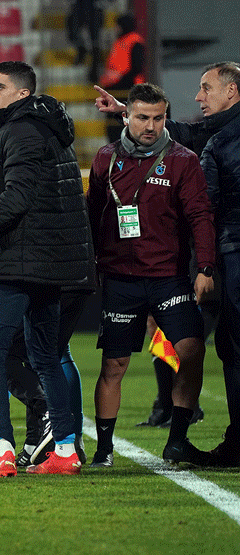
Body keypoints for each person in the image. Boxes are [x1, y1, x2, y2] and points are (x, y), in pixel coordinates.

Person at [0, 61, 94, 477]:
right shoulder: (51, 128)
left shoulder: (20, 131)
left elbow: (16, 198)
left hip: (15, 260)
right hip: (51, 263)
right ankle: (64, 451)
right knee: (47, 356)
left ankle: (5, 449)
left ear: (23, 94)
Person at [86, 83, 215, 468]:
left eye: (158, 118)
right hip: (121, 279)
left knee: (192, 351)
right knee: (114, 365)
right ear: (125, 116)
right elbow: (93, 216)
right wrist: (90, 264)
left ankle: (176, 441)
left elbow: (200, 217)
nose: (152, 125)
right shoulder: (105, 158)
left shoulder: (183, 160)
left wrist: (205, 267)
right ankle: (104, 450)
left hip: (169, 277)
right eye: (143, 117)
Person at [200, 62, 240, 467]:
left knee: (233, 346)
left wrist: (203, 265)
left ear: (231, 91)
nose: (200, 96)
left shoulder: (220, 141)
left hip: (235, 255)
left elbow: (205, 209)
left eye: (207, 88)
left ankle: (237, 442)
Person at [99, 14, 145, 143]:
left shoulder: (134, 42)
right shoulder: (120, 42)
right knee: (114, 130)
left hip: (128, 92)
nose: (116, 28)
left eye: (117, 25)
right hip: (115, 93)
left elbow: (136, 69)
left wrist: (118, 81)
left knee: (124, 129)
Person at [66, 0, 104, 82]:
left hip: (95, 7)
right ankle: (82, 50)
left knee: (95, 41)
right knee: (73, 31)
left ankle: (94, 72)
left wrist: (104, 3)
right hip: (79, 6)